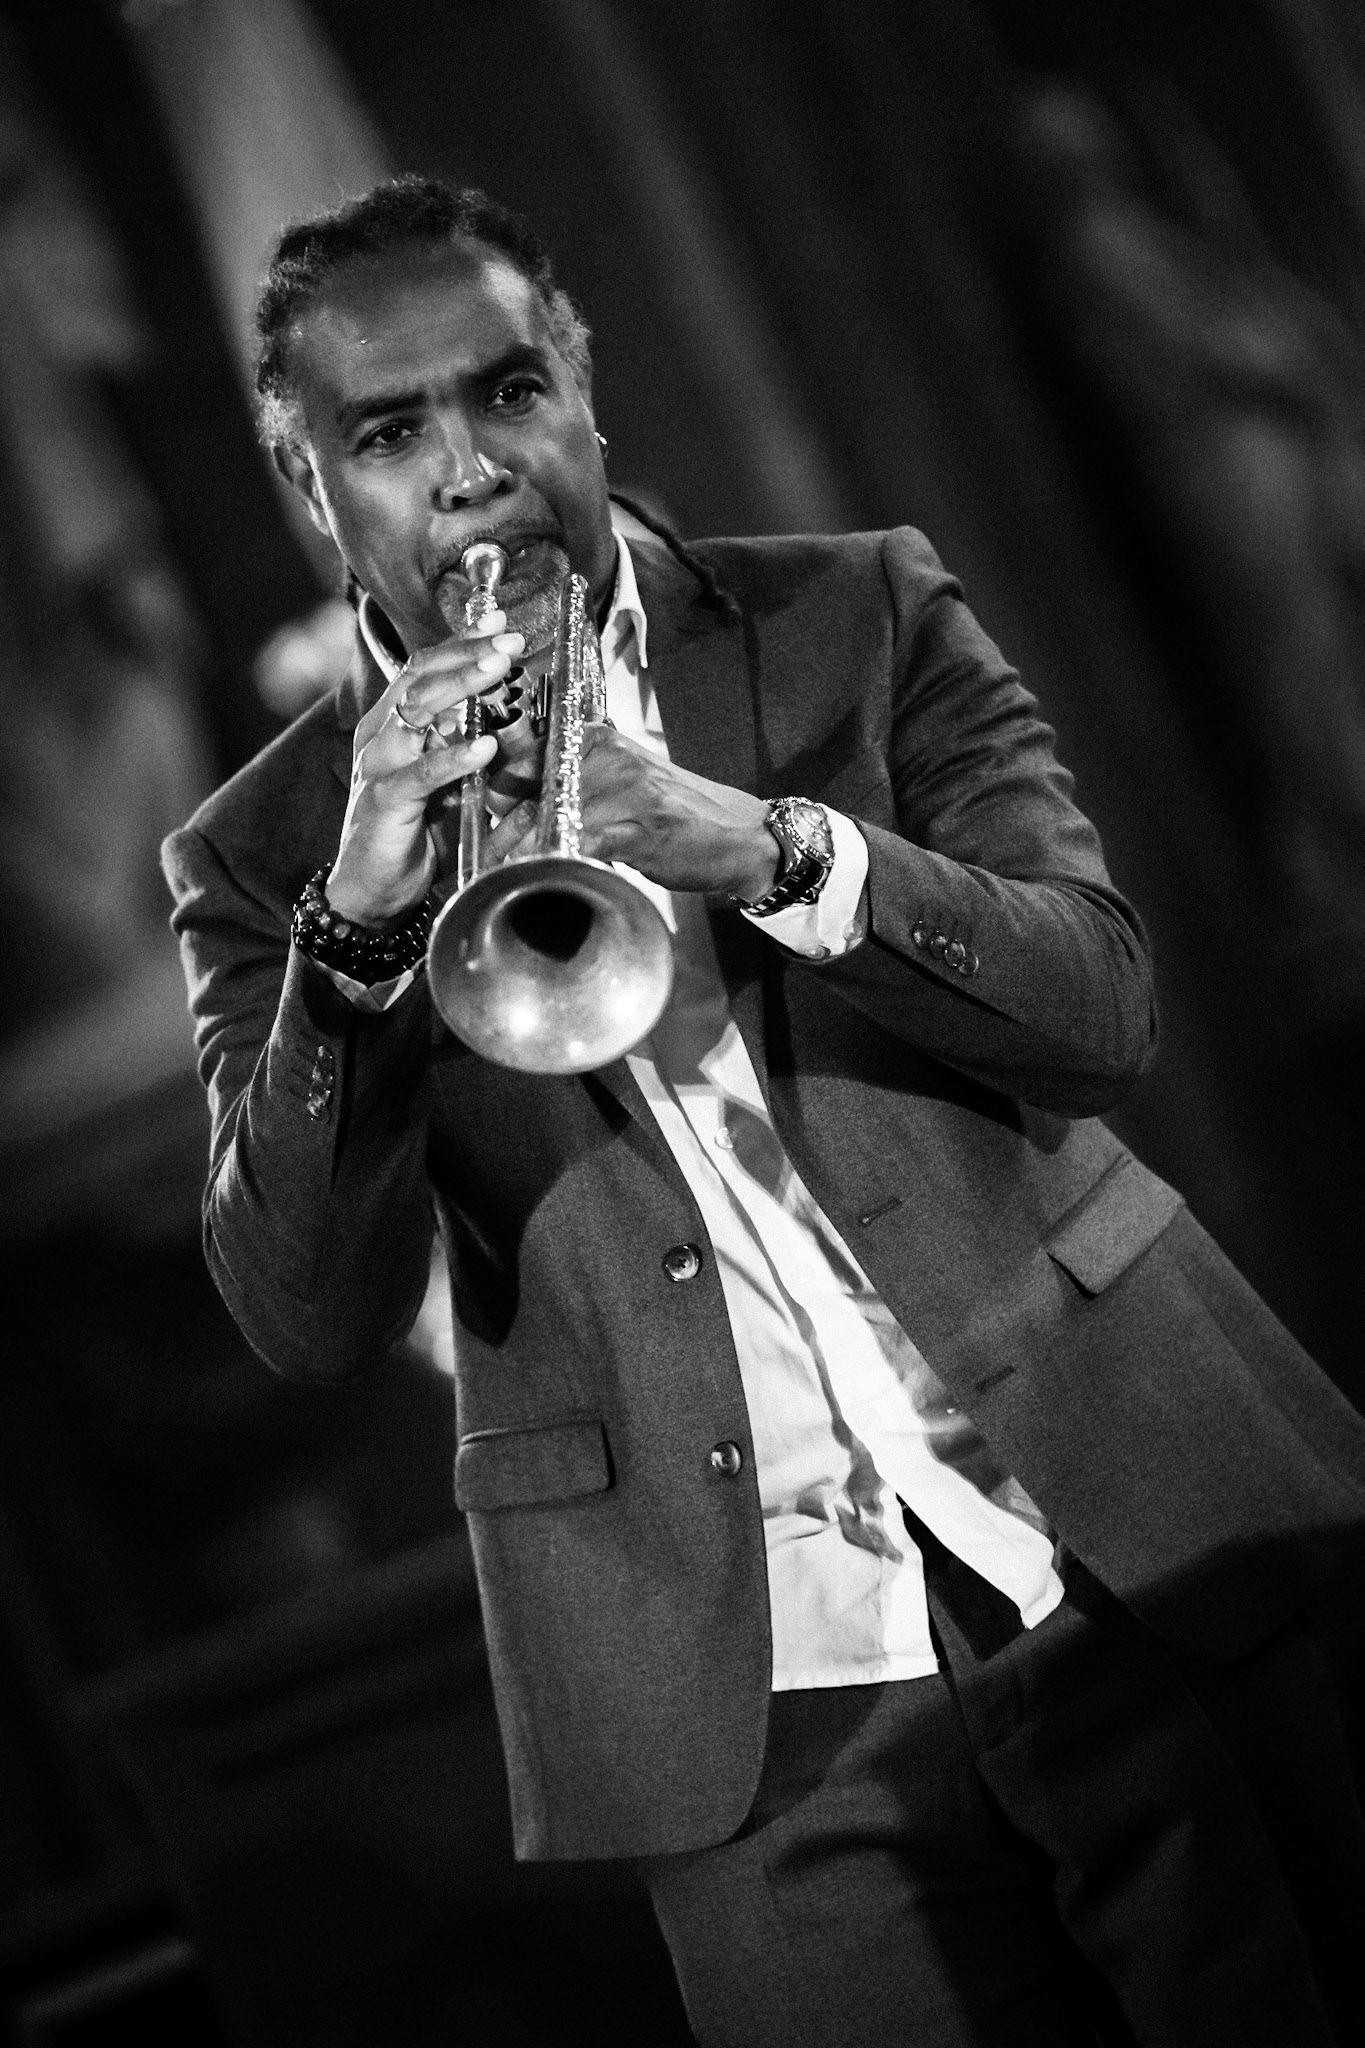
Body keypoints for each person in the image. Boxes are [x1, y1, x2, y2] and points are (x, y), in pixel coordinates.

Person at [163, 177, 1365, 2048]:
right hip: (750, 1727)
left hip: (1134, 1553)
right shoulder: (259, 855)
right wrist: (360, 927)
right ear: (308, 480)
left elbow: (1100, 1009)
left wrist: (774, 847)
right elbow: (301, 1311)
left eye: (505, 395)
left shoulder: (852, 612)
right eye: (388, 436)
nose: (468, 468)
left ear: (582, 382)